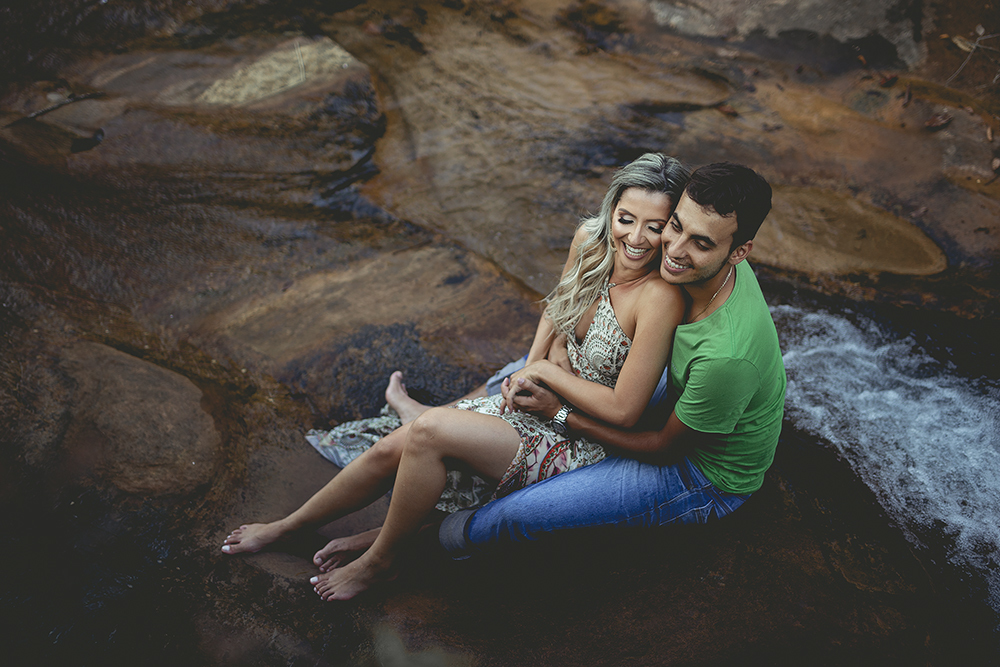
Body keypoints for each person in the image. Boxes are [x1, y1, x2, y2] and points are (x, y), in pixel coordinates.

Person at [221, 153, 691, 600]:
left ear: (671, 229)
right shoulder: (591, 240)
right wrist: (529, 369)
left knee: (427, 431)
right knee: (395, 444)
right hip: (538, 402)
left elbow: (626, 411)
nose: (636, 238)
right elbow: (557, 305)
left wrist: (546, 372)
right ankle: (289, 526)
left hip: (579, 437)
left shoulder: (659, 298)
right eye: (626, 218)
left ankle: (381, 559)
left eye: (655, 227)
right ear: (612, 210)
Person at [436, 162, 787, 558]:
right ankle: (437, 417)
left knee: (514, 516)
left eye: (700, 244)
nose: (673, 249)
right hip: (681, 395)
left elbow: (663, 448)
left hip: (701, 473)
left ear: (739, 252)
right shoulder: (698, 252)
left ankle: (427, 544)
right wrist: (556, 348)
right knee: (576, 359)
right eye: (673, 226)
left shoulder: (726, 356)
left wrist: (561, 414)